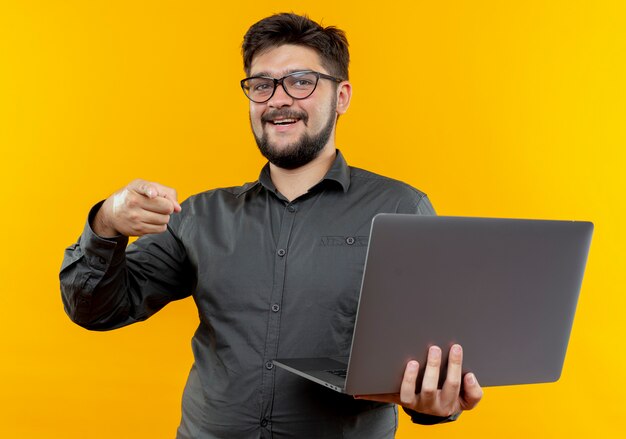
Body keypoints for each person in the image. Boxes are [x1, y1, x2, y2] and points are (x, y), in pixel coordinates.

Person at [60, 13, 482, 438]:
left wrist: (435, 406)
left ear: (342, 97)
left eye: (301, 81)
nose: (278, 99)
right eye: (262, 85)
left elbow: (433, 357)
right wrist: (107, 222)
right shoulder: (200, 217)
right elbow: (96, 309)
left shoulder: (400, 209)